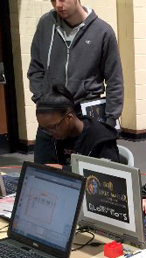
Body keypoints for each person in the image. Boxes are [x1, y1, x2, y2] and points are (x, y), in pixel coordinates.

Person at [29, 0, 123, 164]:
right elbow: (36, 68)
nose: (58, 5)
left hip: (85, 117)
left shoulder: (103, 31)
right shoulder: (46, 24)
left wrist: (109, 121)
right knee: (44, 171)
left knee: (85, 177)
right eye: (53, 0)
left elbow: (114, 80)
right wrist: (42, 101)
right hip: (52, 114)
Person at [34, 84, 119, 168]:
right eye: (44, 128)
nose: (49, 132)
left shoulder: (100, 139)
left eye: (52, 127)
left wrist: (64, 170)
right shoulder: (50, 135)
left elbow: (108, 177)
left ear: (69, 118)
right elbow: (41, 168)